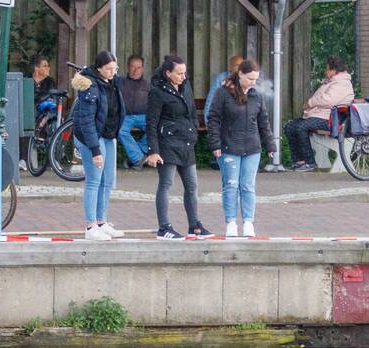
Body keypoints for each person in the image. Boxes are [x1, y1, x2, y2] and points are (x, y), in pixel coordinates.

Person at [145, 54, 212, 240]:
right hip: (167, 144)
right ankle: (164, 227)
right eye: (179, 73)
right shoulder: (157, 92)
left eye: (185, 73)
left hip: (186, 143)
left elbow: (190, 112)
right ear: (168, 73)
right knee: (166, 184)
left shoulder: (185, 86)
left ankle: (194, 225)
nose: (183, 77)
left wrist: (194, 132)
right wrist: (153, 150)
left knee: (192, 186)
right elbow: (151, 122)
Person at [206, 60, 275, 237]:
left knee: (248, 186)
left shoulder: (256, 96)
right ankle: (230, 222)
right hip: (229, 146)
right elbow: (213, 118)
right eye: (250, 78)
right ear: (240, 74)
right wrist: (215, 143)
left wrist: (270, 145)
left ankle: (248, 222)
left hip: (252, 147)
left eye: (256, 79)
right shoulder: (223, 93)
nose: (253, 82)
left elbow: (263, 122)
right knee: (231, 185)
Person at [71, 51, 126, 241]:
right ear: (99, 68)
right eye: (108, 69)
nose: (113, 72)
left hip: (109, 135)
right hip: (91, 137)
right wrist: (95, 149)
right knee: (94, 180)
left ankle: (102, 222)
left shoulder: (113, 82)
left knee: (107, 180)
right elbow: (86, 121)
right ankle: (91, 225)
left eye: (115, 68)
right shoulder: (90, 86)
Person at [284, 55, 354, 172]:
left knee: (302, 127)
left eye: (327, 69)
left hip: (332, 120)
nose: (325, 71)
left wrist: (310, 103)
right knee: (290, 126)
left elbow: (329, 100)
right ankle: (300, 161)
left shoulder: (342, 83)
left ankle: (310, 163)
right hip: (321, 116)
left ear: (334, 70)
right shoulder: (332, 82)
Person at [118, 54, 150, 170]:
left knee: (156, 129)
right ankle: (138, 158)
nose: (136, 70)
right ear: (128, 67)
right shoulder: (120, 82)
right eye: (133, 67)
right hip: (126, 116)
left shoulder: (148, 84)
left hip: (144, 117)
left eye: (139, 67)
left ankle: (135, 157)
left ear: (143, 68)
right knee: (120, 130)